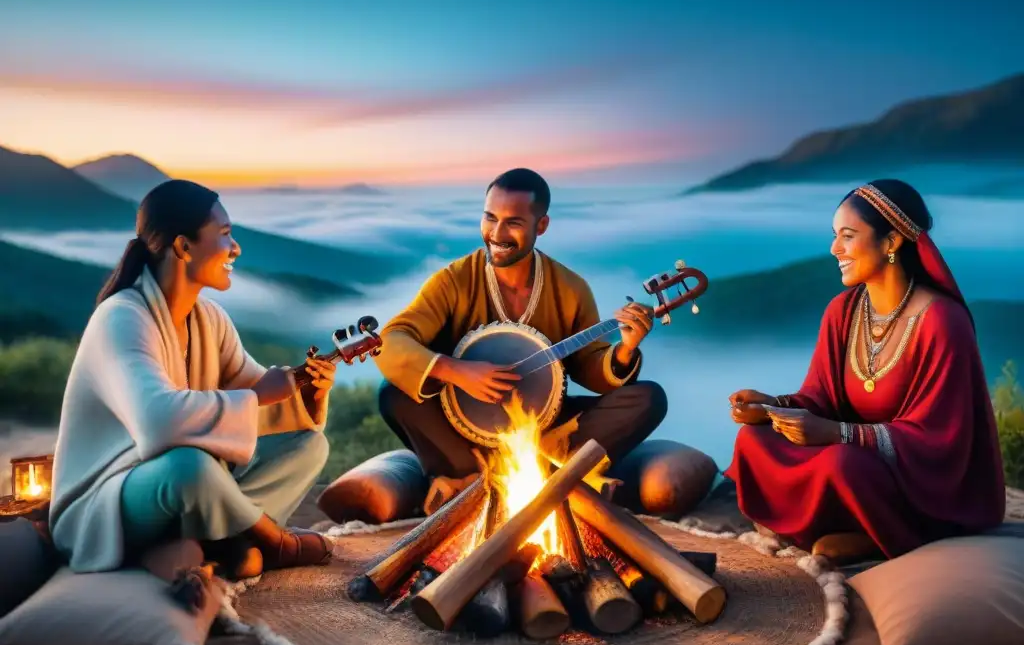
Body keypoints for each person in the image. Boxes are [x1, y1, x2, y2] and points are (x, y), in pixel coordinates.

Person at [49, 179, 336, 596]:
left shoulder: (210, 318)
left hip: (189, 496)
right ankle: (272, 542)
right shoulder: (121, 318)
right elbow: (159, 423)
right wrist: (258, 395)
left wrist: (308, 392)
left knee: (309, 445)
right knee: (190, 468)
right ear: (183, 248)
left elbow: (255, 402)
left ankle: (217, 545)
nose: (235, 247)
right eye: (224, 235)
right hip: (110, 503)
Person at [374, 167, 684, 515]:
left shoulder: (570, 287)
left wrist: (626, 348)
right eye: (490, 218)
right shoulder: (453, 281)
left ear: (542, 226)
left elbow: (589, 367)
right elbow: (391, 340)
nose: (497, 233)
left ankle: (490, 476)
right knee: (393, 393)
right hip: (464, 428)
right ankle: (529, 474)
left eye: (513, 223)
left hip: (545, 425)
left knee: (648, 398)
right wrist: (456, 371)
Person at [726, 179, 1005, 564]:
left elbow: (940, 443)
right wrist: (774, 407)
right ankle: (842, 526)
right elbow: (820, 397)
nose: (834, 249)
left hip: (914, 485)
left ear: (891, 243)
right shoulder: (842, 311)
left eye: (847, 235)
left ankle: (888, 533)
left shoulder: (941, 321)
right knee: (753, 440)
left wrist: (838, 433)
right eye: (834, 235)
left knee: (841, 464)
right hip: (846, 460)